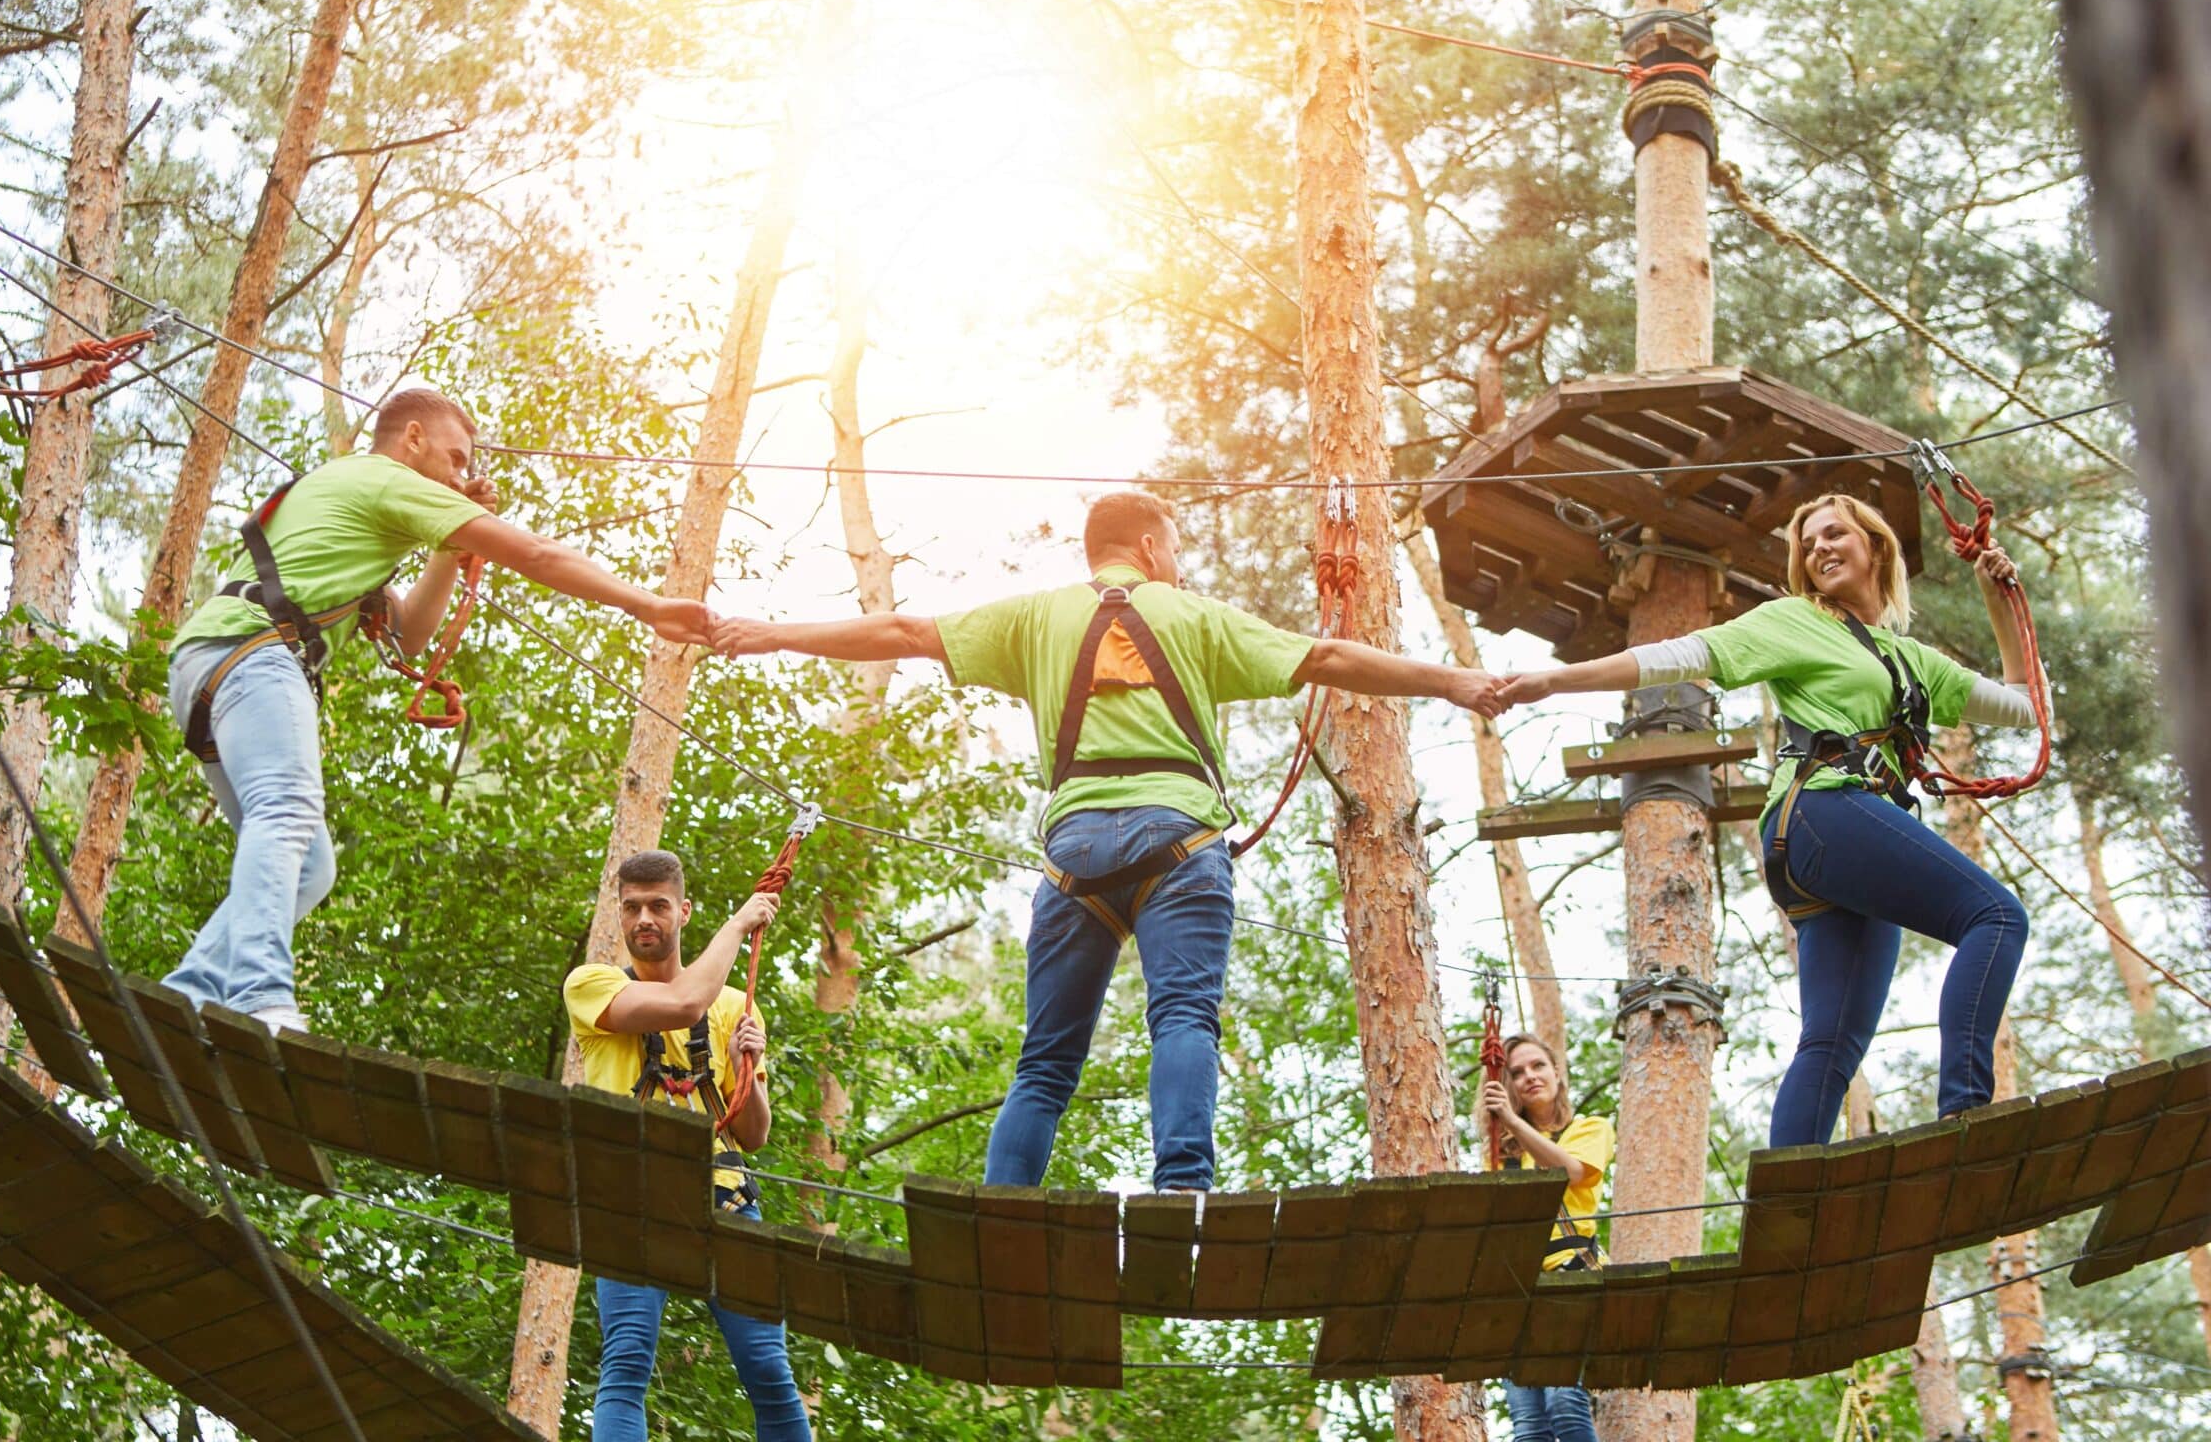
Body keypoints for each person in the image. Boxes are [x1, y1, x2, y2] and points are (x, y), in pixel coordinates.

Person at [715, 490, 1505, 1191]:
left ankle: (1001, 1210)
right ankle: (1182, 1192)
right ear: (1153, 547)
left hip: (1073, 855)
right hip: (1180, 842)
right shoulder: (1193, 614)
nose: (1181, 567)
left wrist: (773, 633)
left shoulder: (1034, 617)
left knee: (1046, 1063)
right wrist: (1454, 683)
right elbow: (1328, 656)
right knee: (1185, 1017)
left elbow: (903, 629)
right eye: (1177, 552)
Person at [1496, 492, 2037, 1147]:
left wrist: (1998, 598)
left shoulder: (1912, 661)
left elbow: (2024, 706)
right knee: (1996, 916)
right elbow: (1684, 656)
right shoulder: (1796, 622)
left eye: (1835, 535)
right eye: (1808, 546)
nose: (1819, 551)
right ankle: (1965, 1112)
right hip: (1824, 813)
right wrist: (1558, 681)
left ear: (1876, 547)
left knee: (1832, 1040)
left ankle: (1788, 1208)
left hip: (1833, 843)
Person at [162, 389, 711, 1030]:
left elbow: (412, 633)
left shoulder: (353, 500)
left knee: (310, 865)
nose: (461, 476)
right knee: (285, 810)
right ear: (412, 438)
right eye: (455, 459)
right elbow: (535, 554)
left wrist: (448, 550)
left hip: (213, 662)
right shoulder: (386, 477)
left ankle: (193, 988)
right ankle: (258, 994)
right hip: (253, 654)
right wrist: (645, 605)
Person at [563, 850, 809, 1442]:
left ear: (682, 911)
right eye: (632, 908)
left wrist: (741, 1064)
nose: (644, 918)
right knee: (625, 1365)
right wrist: (739, 923)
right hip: (630, 1202)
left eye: (658, 906)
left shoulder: (733, 1008)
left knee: (770, 1372)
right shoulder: (591, 986)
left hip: (724, 1199)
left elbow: (753, 1134)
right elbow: (681, 1004)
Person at [1479, 1032, 1611, 1442]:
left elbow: (1571, 1171)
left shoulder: (1590, 1128)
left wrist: (1514, 1123)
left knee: (1564, 1403)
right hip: (1518, 1288)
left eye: (1538, 1066)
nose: (1529, 1077)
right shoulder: (1503, 1157)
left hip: (1572, 1276)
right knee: (1529, 1423)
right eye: (1516, 1073)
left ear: (1557, 1072)